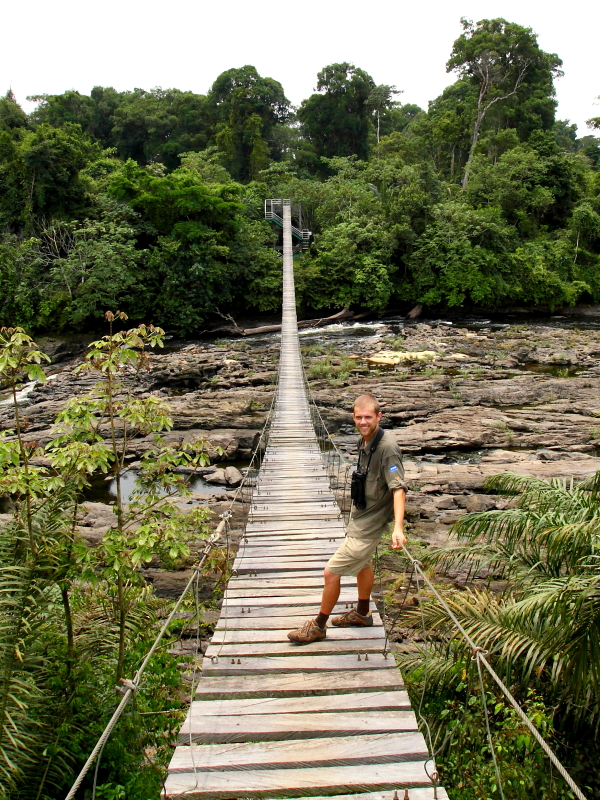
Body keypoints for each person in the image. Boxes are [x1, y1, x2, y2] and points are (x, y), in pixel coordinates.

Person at [288, 393, 407, 644]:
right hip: (361, 515)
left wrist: (398, 527)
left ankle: (318, 626)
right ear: (353, 418)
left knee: (331, 573)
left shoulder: (387, 449)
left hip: (370, 524)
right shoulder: (364, 441)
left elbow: (398, 488)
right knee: (363, 564)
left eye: (368, 417)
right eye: (359, 417)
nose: (363, 422)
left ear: (379, 417)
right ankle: (363, 614)